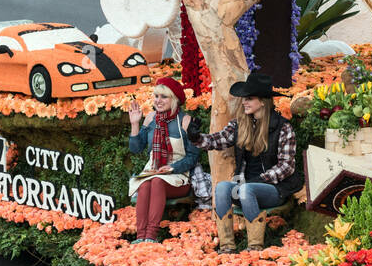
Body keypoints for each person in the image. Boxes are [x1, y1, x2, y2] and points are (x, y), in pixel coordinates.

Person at [189, 71, 302, 253]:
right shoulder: (240, 124)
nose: (244, 102)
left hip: (274, 188)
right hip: (244, 186)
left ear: (263, 101)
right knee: (222, 188)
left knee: (246, 189)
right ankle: (227, 247)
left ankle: (255, 246)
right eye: (244, 98)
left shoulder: (282, 127)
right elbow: (217, 140)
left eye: (249, 98)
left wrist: (259, 180)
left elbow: (286, 166)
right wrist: (196, 137)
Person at [126, 78, 208, 243]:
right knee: (145, 183)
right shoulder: (150, 118)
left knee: (155, 181)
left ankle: (151, 236)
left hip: (179, 175)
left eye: (164, 96)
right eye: (156, 96)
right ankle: (140, 237)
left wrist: (172, 168)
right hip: (153, 169)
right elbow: (136, 148)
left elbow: (193, 157)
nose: (158, 100)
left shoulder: (185, 121)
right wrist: (135, 124)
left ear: (174, 99)